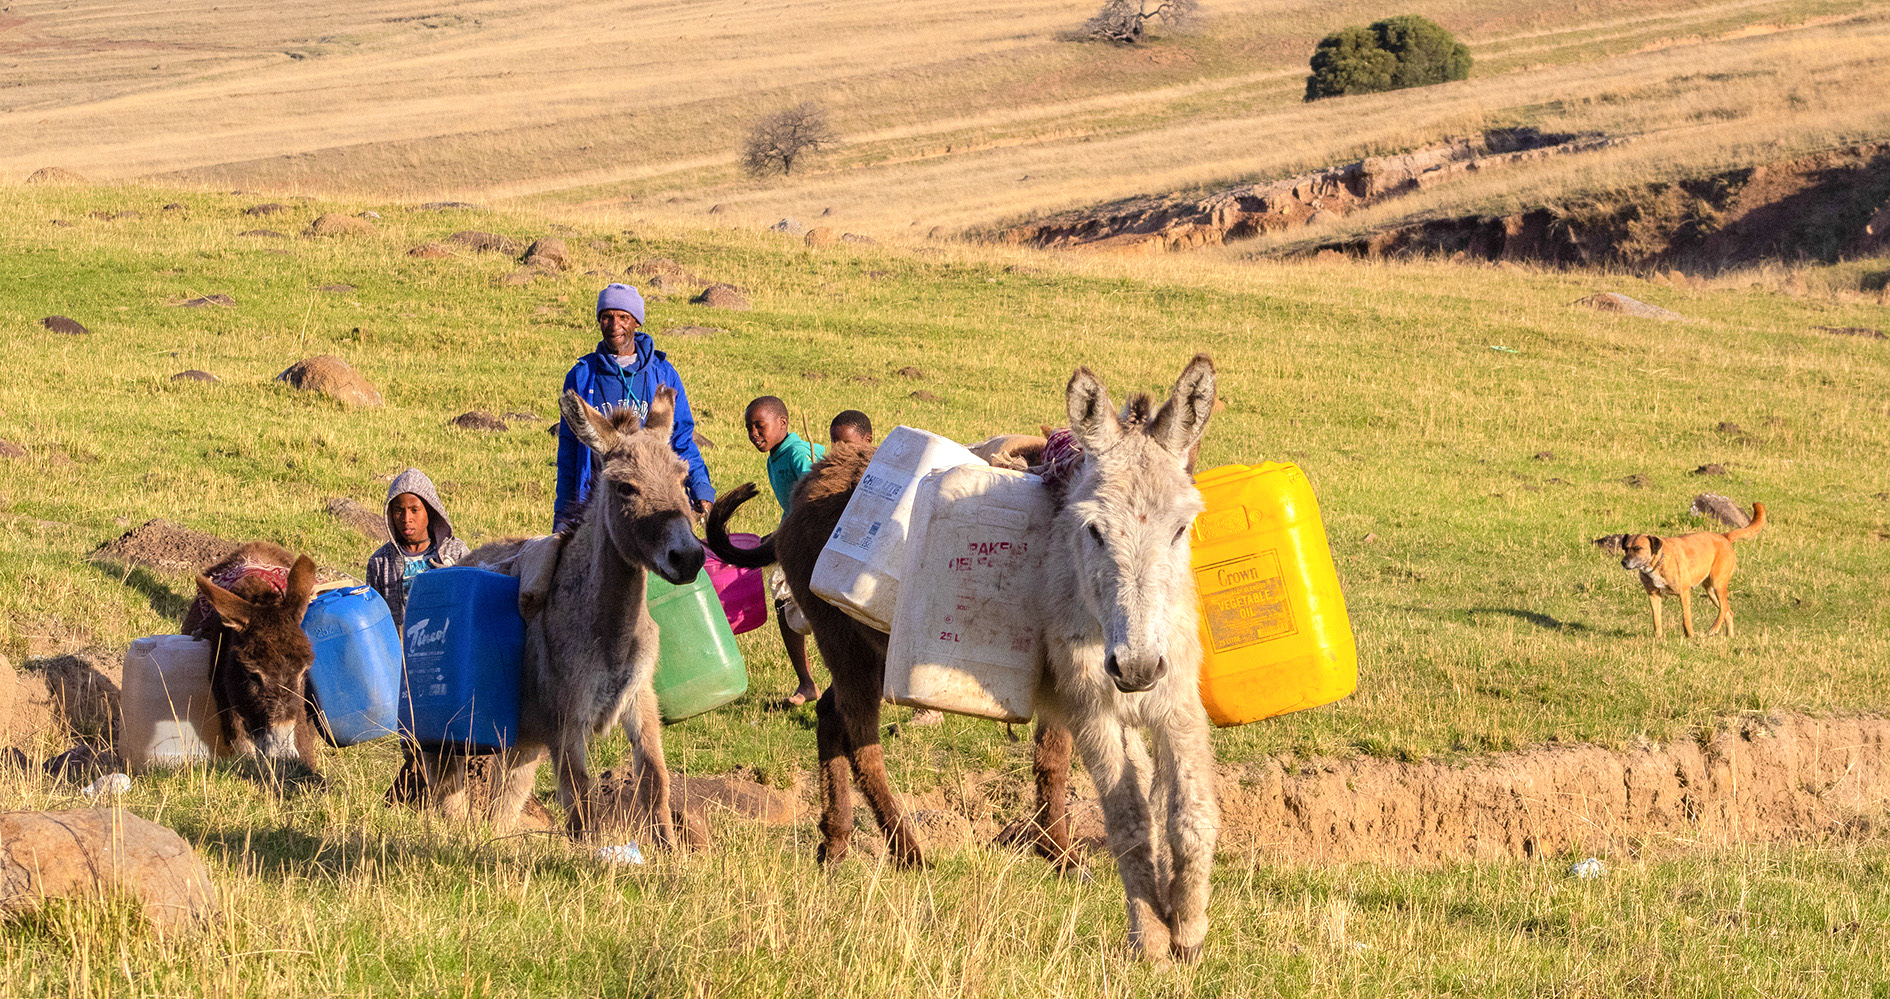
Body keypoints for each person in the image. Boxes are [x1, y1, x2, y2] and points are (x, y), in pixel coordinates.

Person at [555, 283, 714, 531]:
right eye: (606, 317)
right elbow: (568, 453)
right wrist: (563, 517)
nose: (614, 325)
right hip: (596, 503)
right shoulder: (582, 376)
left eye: (623, 317)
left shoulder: (662, 373)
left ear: (636, 322)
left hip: (650, 504)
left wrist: (701, 488)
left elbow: (682, 438)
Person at [746, 395, 825, 706]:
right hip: (795, 536)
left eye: (759, 426)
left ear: (782, 424)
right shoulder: (775, 456)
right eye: (749, 428)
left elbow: (813, 497)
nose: (754, 434)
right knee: (782, 599)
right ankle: (806, 683)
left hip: (814, 538)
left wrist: (784, 535)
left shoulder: (798, 454)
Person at [366, 468, 472, 629]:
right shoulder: (381, 562)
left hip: (448, 645)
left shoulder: (456, 553)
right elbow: (375, 619)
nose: (406, 519)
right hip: (401, 651)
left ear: (430, 510)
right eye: (399, 511)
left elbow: (471, 604)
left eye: (415, 510)